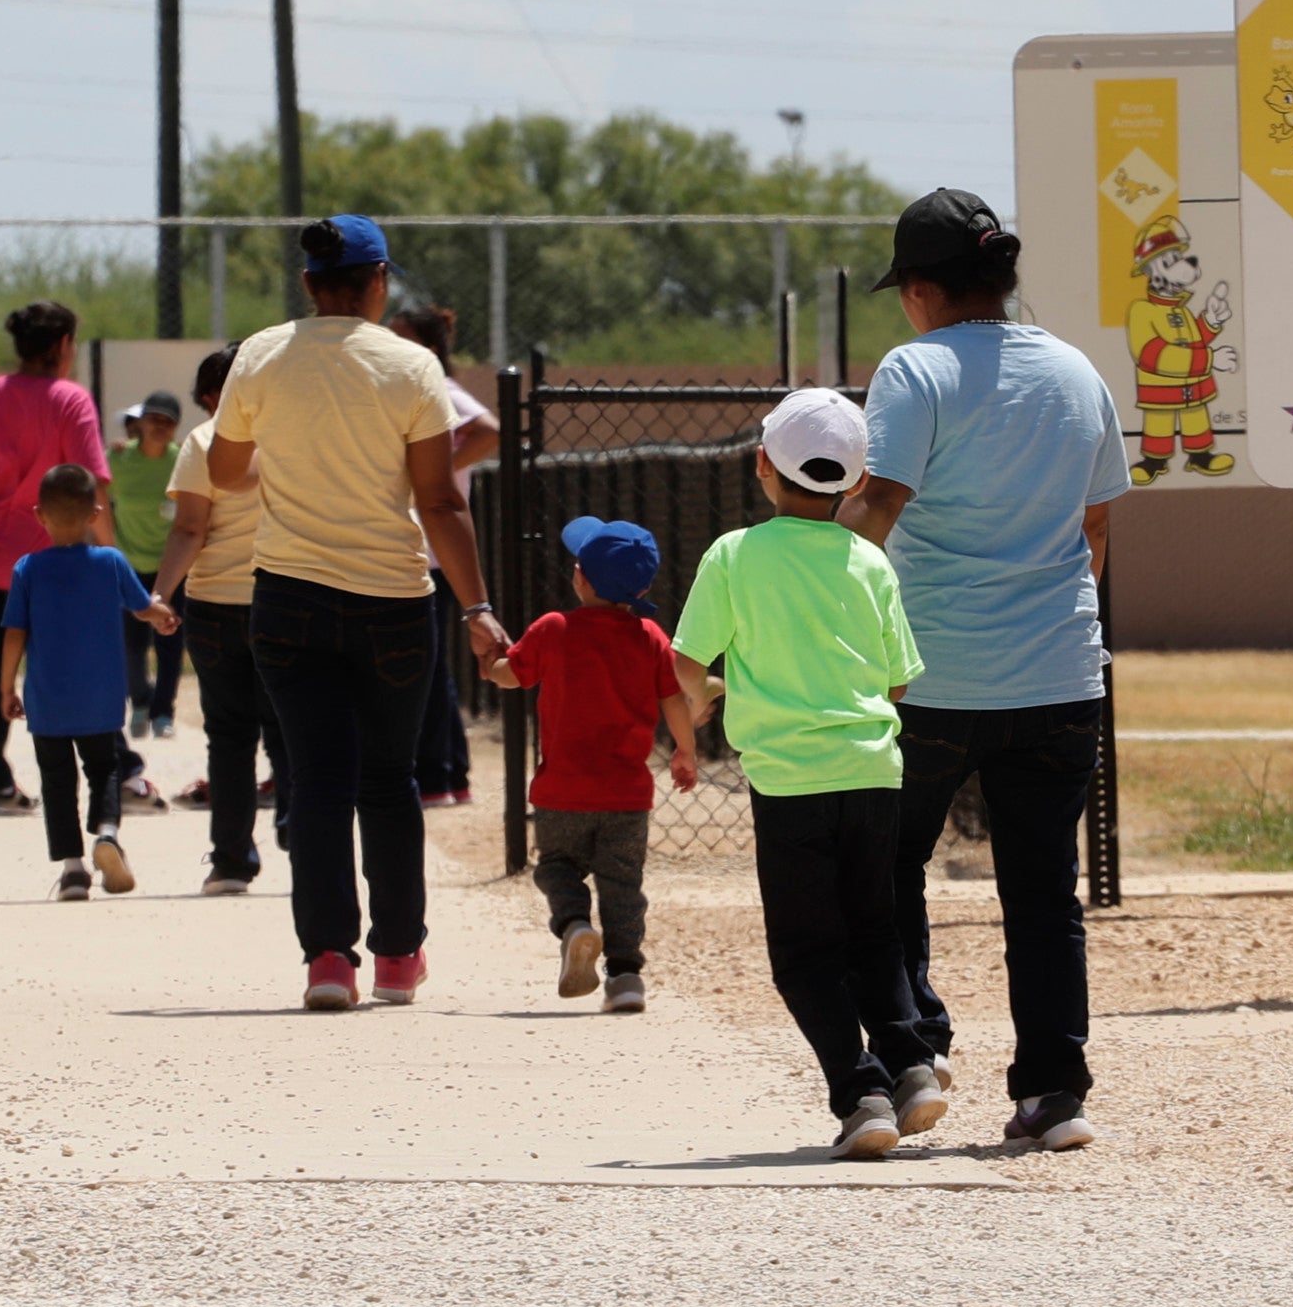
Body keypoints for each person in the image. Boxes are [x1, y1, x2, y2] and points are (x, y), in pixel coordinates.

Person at [839, 189, 1131, 1153]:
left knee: (888, 866)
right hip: (1058, 674)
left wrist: (833, 616)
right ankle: (1055, 1092)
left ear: (920, 289)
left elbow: (879, 502)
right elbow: (1094, 527)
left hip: (927, 674)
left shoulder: (914, 371)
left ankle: (917, 1048)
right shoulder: (1076, 369)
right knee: (1044, 891)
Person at [206, 215, 509, 1011]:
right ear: (379, 282)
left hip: (286, 596)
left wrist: (286, 462)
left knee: (314, 780)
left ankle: (327, 959)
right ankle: (399, 955)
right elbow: (440, 499)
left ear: (307, 283)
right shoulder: (411, 366)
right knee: (388, 778)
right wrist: (476, 606)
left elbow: (226, 470)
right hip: (393, 602)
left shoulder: (259, 357)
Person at [673, 389, 941, 1160]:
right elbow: (897, 680)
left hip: (789, 781)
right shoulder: (869, 560)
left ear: (763, 466)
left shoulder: (734, 554)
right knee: (874, 932)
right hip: (872, 772)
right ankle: (913, 1063)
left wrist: (708, 695)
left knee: (802, 951)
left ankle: (861, 1093)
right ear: (856, 483)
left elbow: (688, 659)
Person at [483, 518, 697, 1014]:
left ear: (579, 578)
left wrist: (488, 662)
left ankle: (576, 924)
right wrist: (684, 752)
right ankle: (625, 978)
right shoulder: (649, 636)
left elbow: (509, 676)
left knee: (555, 867)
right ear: (644, 585)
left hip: (562, 792)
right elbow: (674, 700)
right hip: (626, 796)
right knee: (623, 885)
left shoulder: (553, 629)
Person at [0, 301, 113, 817]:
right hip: (59, 563)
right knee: (67, 669)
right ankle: (98, 772)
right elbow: (93, 482)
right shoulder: (71, 400)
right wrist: (110, 553)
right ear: (61, 345)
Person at [147, 344, 290, 895]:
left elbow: (189, 529)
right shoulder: (290, 440)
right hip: (284, 598)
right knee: (289, 730)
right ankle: (299, 831)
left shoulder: (204, 443)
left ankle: (232, 860)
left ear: (211, 397)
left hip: (213, 608)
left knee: (229, 735)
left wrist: (161, 594)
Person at [0, 464, 179, 900]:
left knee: (57, 782)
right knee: (105, 770)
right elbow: (141, 607)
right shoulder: (111, 562)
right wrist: (165, 616)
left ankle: (73, 871)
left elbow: (15, 634)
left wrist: (6, 688)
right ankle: (107, 834)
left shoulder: (28, 569)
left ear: (40, 514)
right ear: (96, 512)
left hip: (47, 703)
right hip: (100, 700)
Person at [389, 306, 500, 809]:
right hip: (427, 552)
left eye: (401, 339)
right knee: (431, 669)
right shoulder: (415, 393)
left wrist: (435, 470)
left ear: (429, 350)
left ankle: (436, 776)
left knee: (423, 670)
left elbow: (491, 431)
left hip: (430, 555)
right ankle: (450, 772)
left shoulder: (438, 388)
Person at [108, 390, 188, 740]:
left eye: (168, 422)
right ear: (139, 422)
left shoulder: (182, 460)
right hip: (129, 565)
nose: (161, 427)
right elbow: (93, 489)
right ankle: (140, 701)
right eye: (154, 419)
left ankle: (163, 713)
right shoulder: (119, 459)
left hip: (171, 567)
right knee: (132, 643)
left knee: (170, 641)